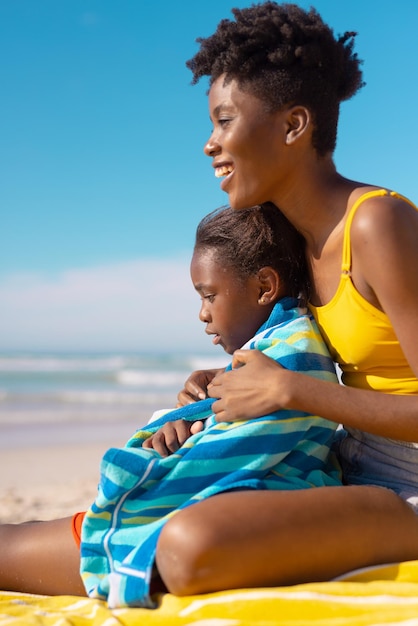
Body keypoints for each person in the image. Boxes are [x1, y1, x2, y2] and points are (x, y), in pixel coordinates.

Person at [151, 1, 418, 597]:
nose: (209, 145)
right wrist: (221, 383)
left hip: (407, 486)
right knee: (154, 507)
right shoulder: (291, 236)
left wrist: (290, 390)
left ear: (294, 126)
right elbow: (301, 352)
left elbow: (305, 385)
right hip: (342, 462)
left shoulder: (378, 225)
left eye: (224, 121)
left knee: (190, 548)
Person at [0, 203, 341, 601]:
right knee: (25, 536)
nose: (202, 314)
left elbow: (214, 464)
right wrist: (188, 419)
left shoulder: (289, 358)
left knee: (10, 547)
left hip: (224, 525)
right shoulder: (284, 344)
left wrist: (146, 459)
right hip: (244, 517)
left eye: (210, 295)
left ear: (265, 286)